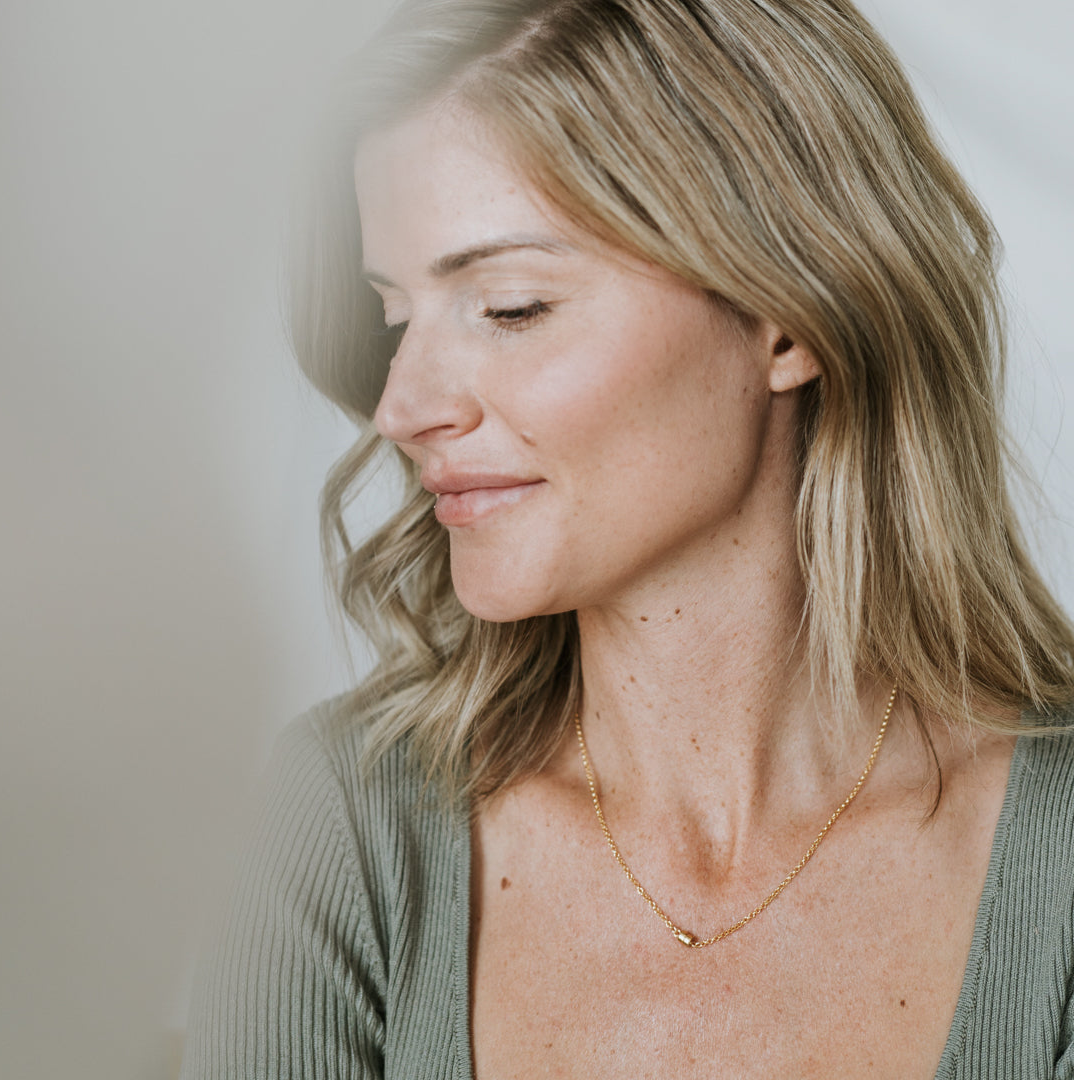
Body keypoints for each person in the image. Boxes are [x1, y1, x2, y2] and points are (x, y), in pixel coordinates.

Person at [181, 0, 1074, 1076]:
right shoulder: (341, 828)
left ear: (787, 313)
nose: (403, 405)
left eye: (509, 307)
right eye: (395, 317)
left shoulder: (1052, 857)